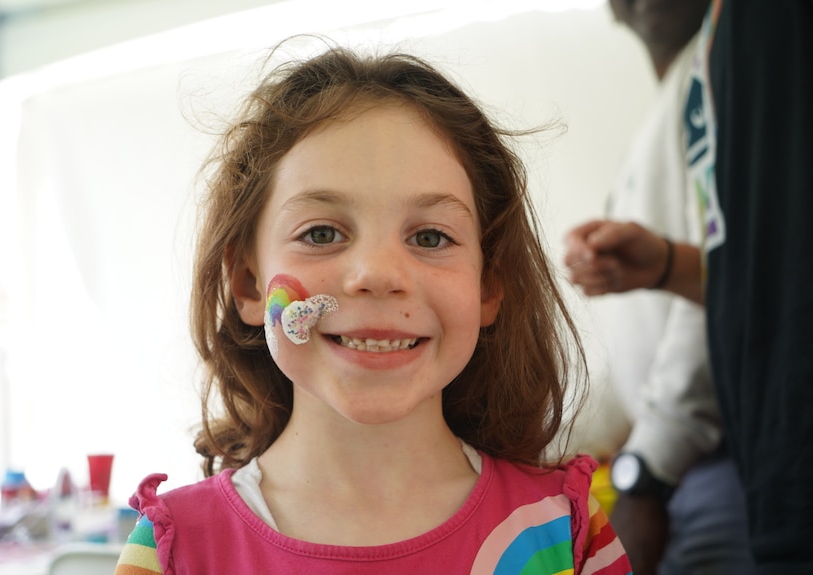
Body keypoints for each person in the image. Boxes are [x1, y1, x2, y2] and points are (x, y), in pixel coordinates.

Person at [113, 44, 632, 574]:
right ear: (248, 284)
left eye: (430, 236)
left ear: (487, 287)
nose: (379, 273)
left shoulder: (565, 530)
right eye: (321, 233)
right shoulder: (173, 553)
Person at [564, 1, 813, 573]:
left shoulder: (739, 64)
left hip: (708, 462)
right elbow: (734, 276)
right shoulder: (684, 94)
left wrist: (649, 471)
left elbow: (736, 296)